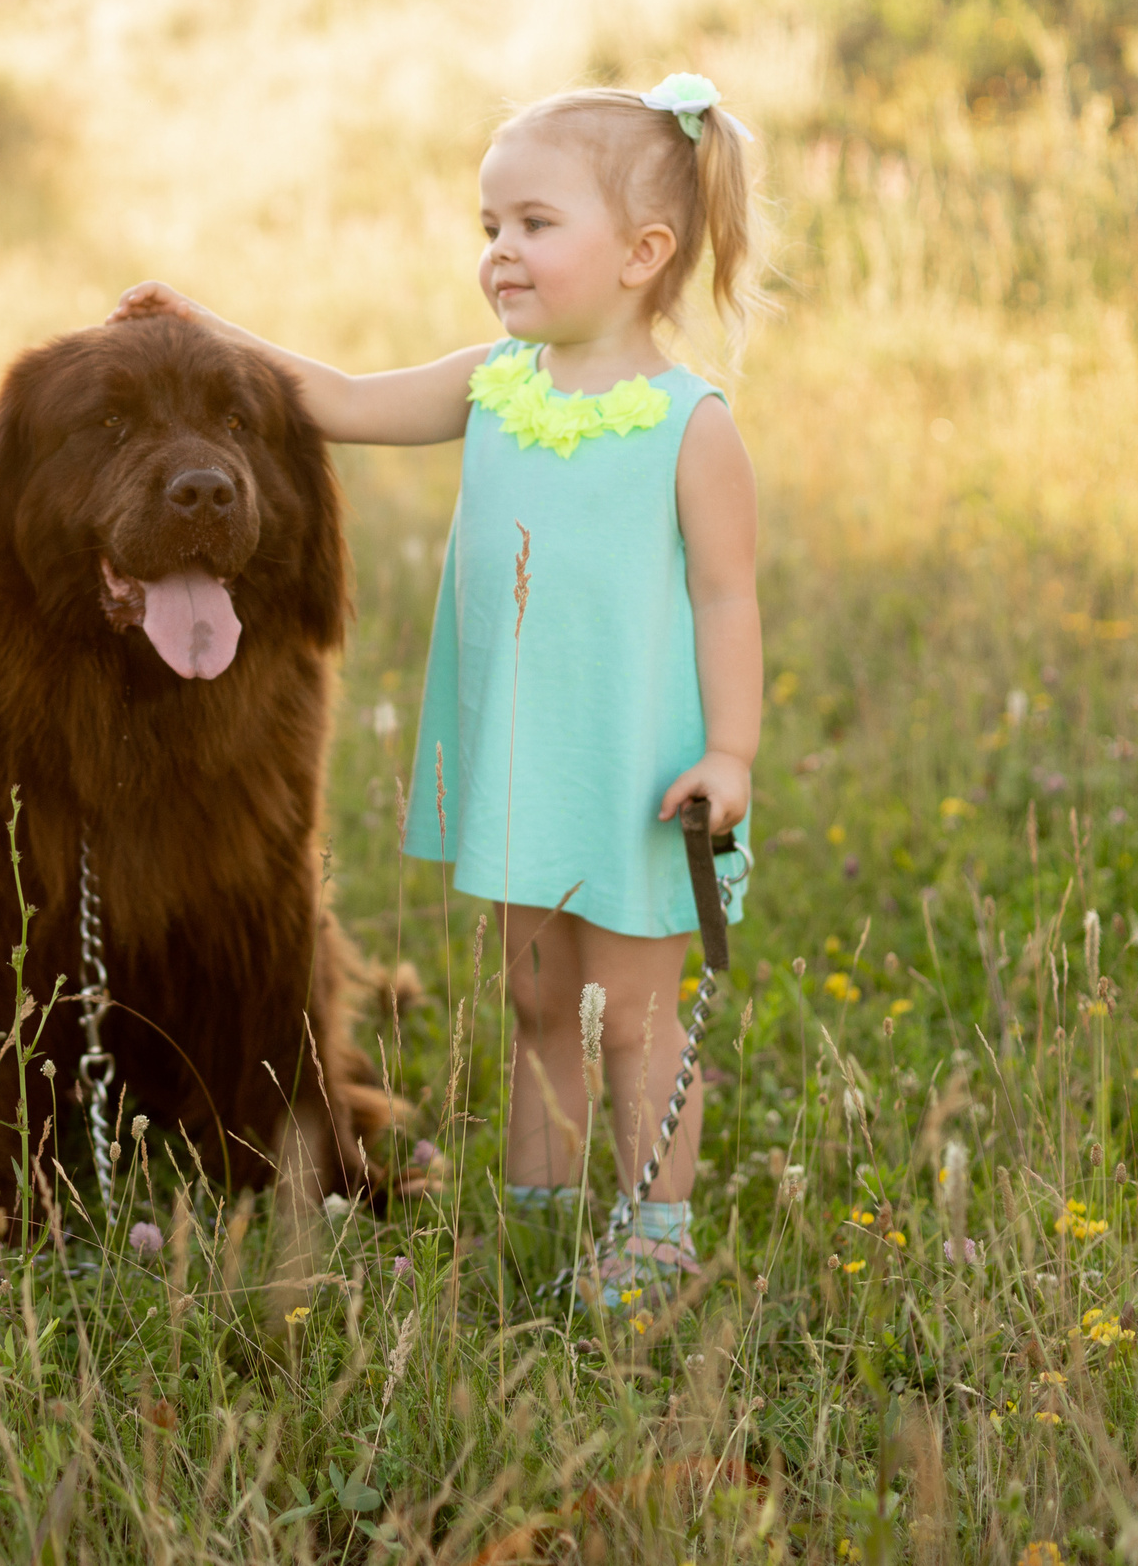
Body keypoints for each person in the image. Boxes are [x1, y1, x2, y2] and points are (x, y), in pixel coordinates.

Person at [112, 76, 762, 1305]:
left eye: (533, 224)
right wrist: (209, 333)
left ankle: (654, 1233)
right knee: (532, 1000)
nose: (501, 253)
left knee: (629, 1018)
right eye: (488, 228)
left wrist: (729, 754)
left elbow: (729, 600)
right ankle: (538, 1211)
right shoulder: (496, 384)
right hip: (531, 763)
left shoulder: (689, 424)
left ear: (642, 253)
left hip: (641, 771)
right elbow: (344, 401)